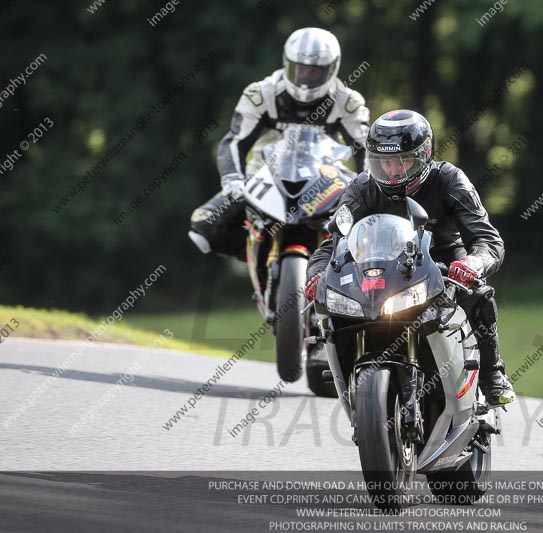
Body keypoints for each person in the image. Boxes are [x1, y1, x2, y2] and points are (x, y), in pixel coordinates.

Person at [304, 109, 516, 406]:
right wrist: (315, 274)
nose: (393, 171)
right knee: (335, 305)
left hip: (443, 259)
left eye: (403, 161)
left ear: (425, 155)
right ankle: (345, 367)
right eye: (385, 162)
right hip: (378, 265)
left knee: (478, 295)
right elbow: (332, 243)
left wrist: (472, 263)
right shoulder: (362, 187)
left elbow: (487, 239)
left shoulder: (451, 180)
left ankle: (492, 373)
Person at [188, 27, 370, 259]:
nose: (306, 78)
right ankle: (258, 255)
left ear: (332, 69)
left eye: (315, 72)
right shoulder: (261, 94)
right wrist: (233, 180)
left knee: (373, 223)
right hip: (263, 182)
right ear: (287, 63)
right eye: (300, 69)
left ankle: (338, 269)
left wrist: (367, 190)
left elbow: (365, 149)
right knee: (204, 222)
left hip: (325, 186)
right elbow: (235, 141)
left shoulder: (348, 102)